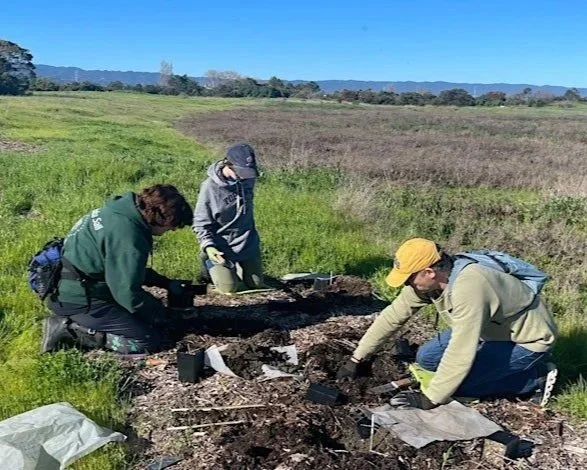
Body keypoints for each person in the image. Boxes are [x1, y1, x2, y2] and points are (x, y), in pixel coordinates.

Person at [337, 238, 559, 408]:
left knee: (460, 387)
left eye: (409, 278)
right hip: (489, 331)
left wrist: (431, 397)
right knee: (426, 359)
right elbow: (392, 316)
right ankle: (493, 365)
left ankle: (534, 378)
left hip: (525, 340)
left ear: (429, 272)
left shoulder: (470, 286)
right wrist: (357, 357)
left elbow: (461, 348)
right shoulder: (427, 284)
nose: (407, 284)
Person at [41, 184, 193, 354]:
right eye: (173, 225)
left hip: (68, 286)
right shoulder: (129, 236)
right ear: (161, 218)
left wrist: (165, 283)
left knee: (144, 316)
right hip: (79, 299)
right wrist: (161, 314)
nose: (171, 230)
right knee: (146, 340)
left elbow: (120, 268)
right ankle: (69, 330)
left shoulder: (117, 212)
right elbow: (127, 294)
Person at [193, 143, 264, 294]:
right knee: (229, 289)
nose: (245, 177)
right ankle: (208, 263)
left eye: (248, 173)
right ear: (228, 165)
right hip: (222, 246)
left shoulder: (248, 179)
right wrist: (209, 247)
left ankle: (239, 266)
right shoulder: (209, 188)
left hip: (247, 242)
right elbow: (200, 224)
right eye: (241, 172)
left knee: (256, 284)